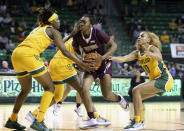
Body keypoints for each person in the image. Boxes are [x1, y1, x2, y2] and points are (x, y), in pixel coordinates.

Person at [4, 7, 91, 131]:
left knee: (25, 90)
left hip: (17, 54)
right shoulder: (53, 31)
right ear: (51, 22)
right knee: (50, 88)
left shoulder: (38, 28)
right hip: (29, 54)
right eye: (57, 19)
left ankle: (12, 119)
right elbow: (65, 51)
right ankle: (39, 121)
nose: (59, 21)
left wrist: (72, 33)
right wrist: (82, 64)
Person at [72, 15, 129, 129]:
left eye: (84, 21)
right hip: (91, 66)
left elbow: (114, 46)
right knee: (84, 89)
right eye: (80, 21)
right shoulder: (77, 37)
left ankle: (119, 98)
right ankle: (92, 118)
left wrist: (102, 58)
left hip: (104, 63)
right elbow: (76, 51)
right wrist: (82, 63)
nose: (81, 23)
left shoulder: (98, 33)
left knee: (107, 95)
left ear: (90, 24)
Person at [111, 31, 174, 130]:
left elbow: (159, 57)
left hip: (164, 79)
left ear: (148, 40)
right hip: (156, 80)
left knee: (136, 90)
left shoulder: (152, 48)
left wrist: (149, 53)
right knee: (139, 96)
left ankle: (136, 121)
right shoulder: (137, 53)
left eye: (142, 36)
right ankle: (140, 121)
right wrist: (110, 58)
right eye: (139, 36)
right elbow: (123, 59)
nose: (139, 37)